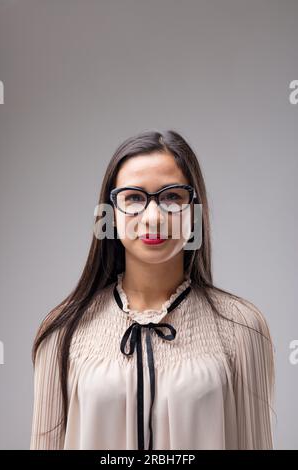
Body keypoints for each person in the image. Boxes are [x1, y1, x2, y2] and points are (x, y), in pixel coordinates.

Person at [30, 129, 275, 450]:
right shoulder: (62, 331)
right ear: (110, 214)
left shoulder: (242, 327)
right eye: (133, 198)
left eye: (172, 197)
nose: (153, 217)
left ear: (194, 211)